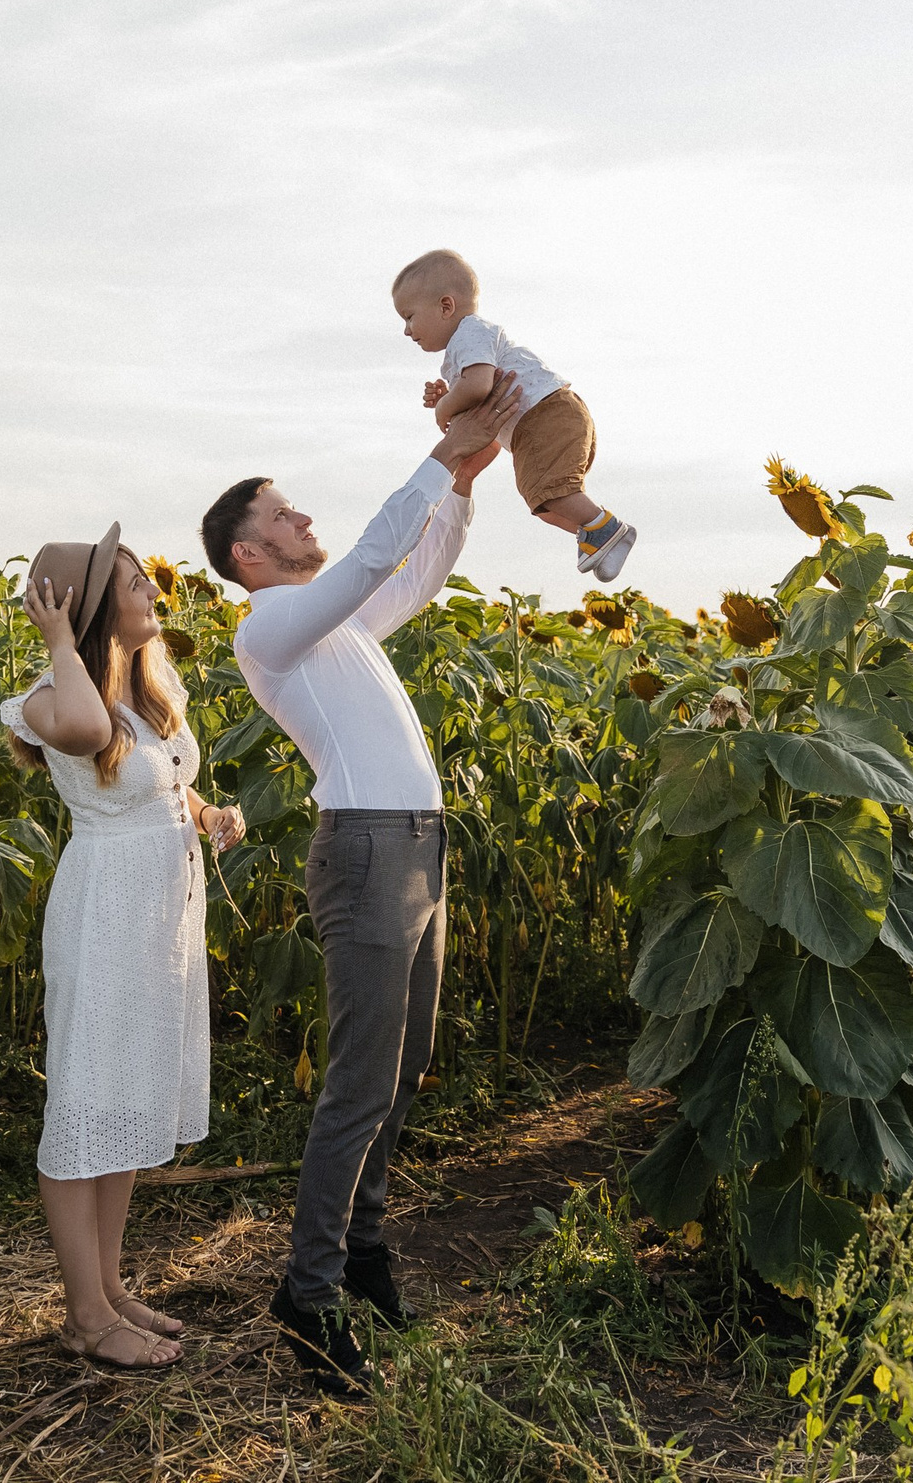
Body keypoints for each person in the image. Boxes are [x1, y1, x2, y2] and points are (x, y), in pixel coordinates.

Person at [198, 371, 526, 1399]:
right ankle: (308, 1292)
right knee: (357, 1081)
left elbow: (417, 569)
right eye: (282, 513)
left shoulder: (334, 627)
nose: (303, 518)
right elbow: (379, 549)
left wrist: (465, 480)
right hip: (370, 852)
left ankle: (366, 1251)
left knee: (405, 1064)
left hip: (418, 847)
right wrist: (437, 457)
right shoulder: (272, 628)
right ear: (250, 555)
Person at [5, 526, 246, 1372]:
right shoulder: (49, 695)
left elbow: (167, 784)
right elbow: (77, 726)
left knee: (125, 1102)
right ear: (91, 605)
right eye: (138, 585)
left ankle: (105, 1289)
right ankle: (84, 1315)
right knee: (83, 1107)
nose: (155, 595)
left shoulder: (148, 690)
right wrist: (62, 642)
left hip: (160, 919)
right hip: (104, 915)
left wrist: (207, 813)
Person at [396, 248, 636, 582]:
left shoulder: (469, 332)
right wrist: (453, 398)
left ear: (446, 306)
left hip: (544, 418)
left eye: (409, 317)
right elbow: (482, 417)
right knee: (542, 503)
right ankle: (596, 536)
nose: (407, 330)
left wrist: (444, 406)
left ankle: (606, 528)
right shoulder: (464, 353)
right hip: (546, 422)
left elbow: (478, 386)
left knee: (552, 492)